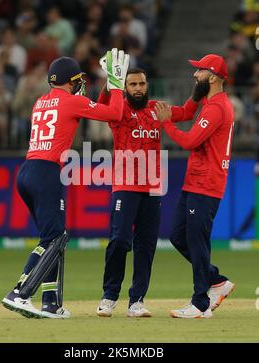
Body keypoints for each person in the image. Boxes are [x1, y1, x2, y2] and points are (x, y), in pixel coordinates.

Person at [2, 49, 129, 319]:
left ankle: (51, 303)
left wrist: (107, 84)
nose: (80, 84)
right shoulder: (72, 102)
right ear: (71, 81)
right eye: (77, 80)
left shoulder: (41, 101)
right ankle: (20, 293)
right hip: (46, 171)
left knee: (50, 238)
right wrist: (116, 84)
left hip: (27, 171)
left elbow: (81, 106)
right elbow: (116, 114)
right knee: (57, 238)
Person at [155, 54, 236, 319]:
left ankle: (200, 303)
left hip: (207, 182)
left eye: (199, 71)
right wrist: (156, 110)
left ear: (212, 77)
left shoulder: (216, 108)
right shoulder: (206, 99)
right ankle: (217, 281)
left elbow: (189, 141)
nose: (194, 75)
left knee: (197, 241)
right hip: (196, 181)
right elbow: (186, 112)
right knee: (179, 236)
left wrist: (165, 123)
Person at [96, 67, 163, 318]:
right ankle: (109, 296)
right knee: (120, 241)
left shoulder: (157, 109)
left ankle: (137, 300)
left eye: (141, 84)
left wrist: (203, 89)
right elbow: (99, 105)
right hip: (125, 186)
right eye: (132, 84)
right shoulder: (119, 108)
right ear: (125, 88)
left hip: (153, 188)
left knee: (146, 246)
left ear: (147, 85)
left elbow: (187, 112)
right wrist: (110, 81)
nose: (137, 88)